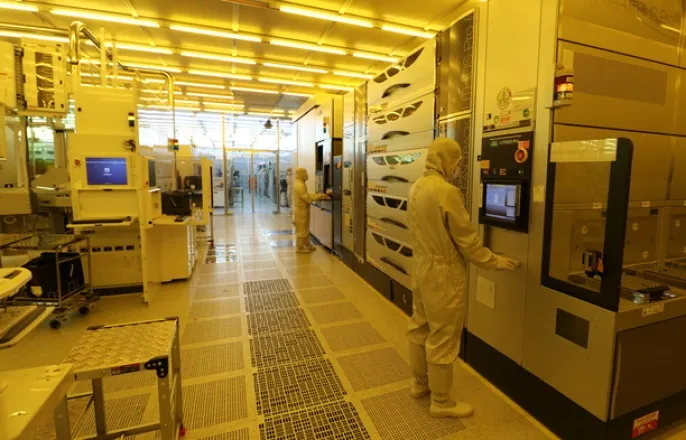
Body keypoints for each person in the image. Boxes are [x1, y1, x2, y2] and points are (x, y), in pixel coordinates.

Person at [407, 138, 520, 419]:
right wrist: (496, 261)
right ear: (448, 161)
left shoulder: (417, 187)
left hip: (421, 266)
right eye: (457, 163)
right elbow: (468, 242)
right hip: (443, 272)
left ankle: (420, 384)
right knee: (444, 335)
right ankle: (441, 401)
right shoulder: (447, 192)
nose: (458, 169)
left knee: (419, 326)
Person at [293, 168, 330, 253]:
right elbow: (307, 197)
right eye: (305, 173)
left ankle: (307, 244)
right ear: (300, 174)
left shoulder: (300, 183)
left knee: (305, 228)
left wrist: (319, 195)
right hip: (301, 210)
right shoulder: (300, 185)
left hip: (303, 209)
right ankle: (300, 247)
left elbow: (306, 195)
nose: (306, 175)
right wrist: (320, 196)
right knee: (302, 230)